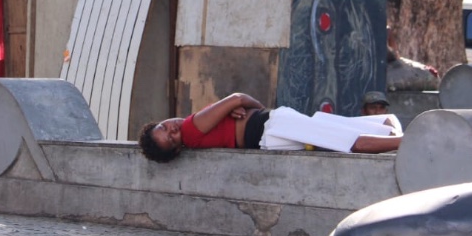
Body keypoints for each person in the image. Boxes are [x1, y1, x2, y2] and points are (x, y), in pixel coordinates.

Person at [137, 93, 402, 163]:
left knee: (332, 127)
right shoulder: (192, 129)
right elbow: (238, 98)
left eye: (165, 126)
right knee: (347, 141)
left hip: (270, 133)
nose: (173, 129)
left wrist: (233, 111)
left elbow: (233, 107)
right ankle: (405, 142)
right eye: (171, 138)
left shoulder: (193, 134)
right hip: (271, 127)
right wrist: (254, 106)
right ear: (176, 149)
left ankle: (389, 129)